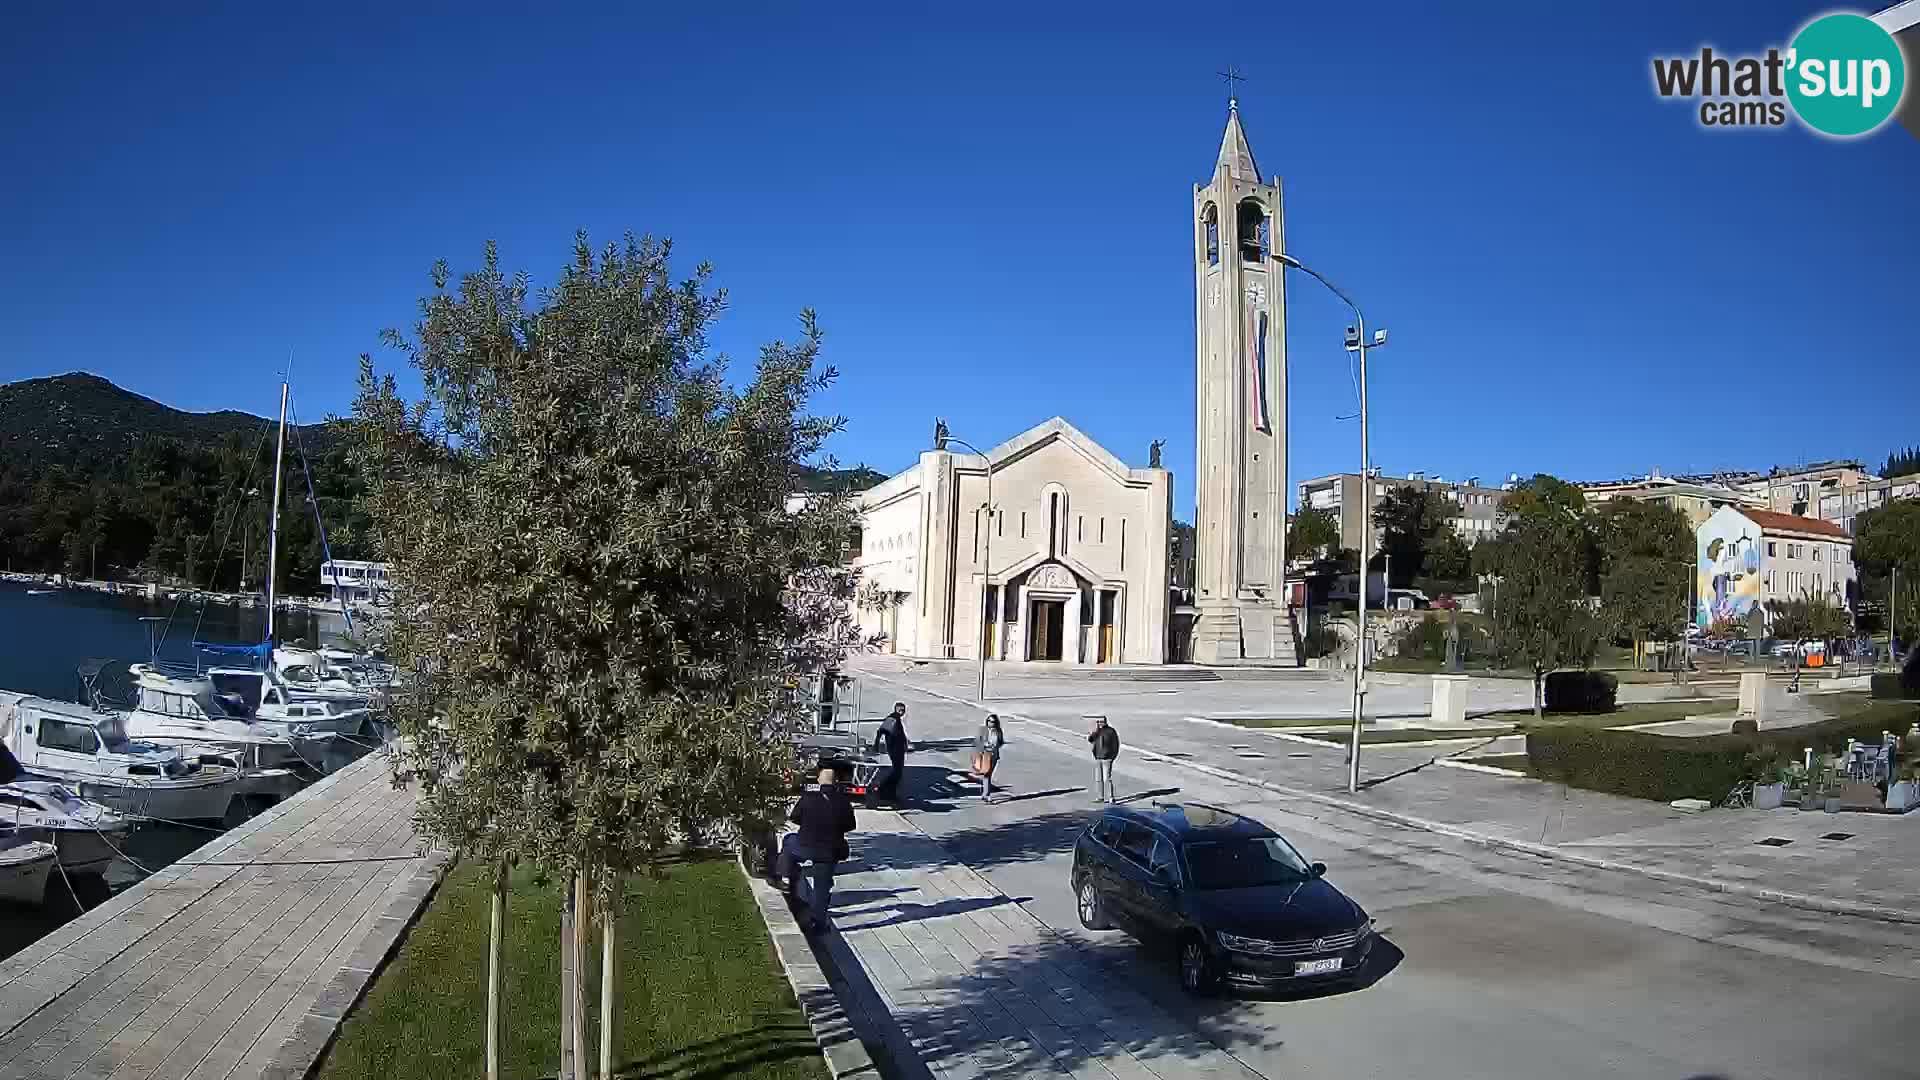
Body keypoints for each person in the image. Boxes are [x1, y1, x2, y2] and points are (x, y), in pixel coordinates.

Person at [777, 764, 857, 934]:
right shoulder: (843, 801)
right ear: (836, 781)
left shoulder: (808, 797)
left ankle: (785, 876)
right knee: (822, 887)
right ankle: (818, 924)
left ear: (819, 779)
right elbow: (850, 825)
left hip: (805, 846)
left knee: (788, 840)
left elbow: (795, 818)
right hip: (829, 851)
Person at [873, 702, 910, 805]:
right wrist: (876, 744)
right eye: (900, 710)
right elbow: (881, 731)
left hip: (898, 749)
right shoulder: (892, 718)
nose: (902, 712)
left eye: (903, 710)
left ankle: (890, 793)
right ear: (896, 710)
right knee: (897, 772)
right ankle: (883, 790)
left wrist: (905, 744)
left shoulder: (897, 719)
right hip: (894, 749)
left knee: (898, 772)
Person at [1088, 715, 1120, 803]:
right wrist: (1094, 731)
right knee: (1098, 778)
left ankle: (1111, 797)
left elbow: (1116, 745)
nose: (1100, 723)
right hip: (1098, 757)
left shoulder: (1110, 731)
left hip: (1107, 758)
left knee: (1107, 778)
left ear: (1105, 722)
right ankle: (1100, 797)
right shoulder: (1097, 732)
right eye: (1098, 722)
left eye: (1101, 722)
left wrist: (1113, 756)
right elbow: (1090, 739)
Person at [976, 714, 1004, 801]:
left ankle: (985, 793)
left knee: (988, 774)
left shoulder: (997, 731)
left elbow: (999, 743)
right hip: (986, 755)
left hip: (993, 755)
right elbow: (979, 741)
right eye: (989, 721)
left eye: (993, 722)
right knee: (986, 774)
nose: (990, 723)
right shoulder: (984, 730)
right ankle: (986, 794)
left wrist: (993, 746)